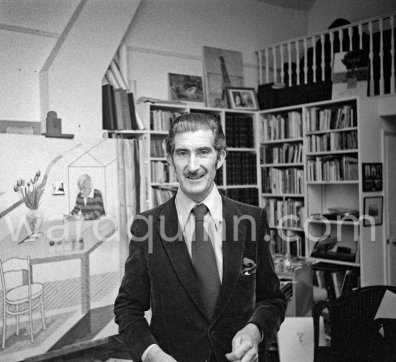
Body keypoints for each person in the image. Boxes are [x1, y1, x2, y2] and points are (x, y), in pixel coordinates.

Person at [114, 113, 286, 362]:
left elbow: (272, 299)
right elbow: (128, 307)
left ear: (221, 157)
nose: (192, 166)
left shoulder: (252, 221)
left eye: (203, 152)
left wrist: (254, 331)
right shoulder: (146, 227)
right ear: (170, 160)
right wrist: (151, 354)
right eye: (182, 153)